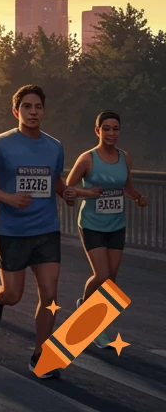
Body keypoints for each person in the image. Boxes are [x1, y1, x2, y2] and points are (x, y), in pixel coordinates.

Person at [0, 84, 67, 379]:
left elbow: (56, 181)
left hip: (46, 228)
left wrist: (69, 193)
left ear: (44, 111)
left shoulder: (55, 146)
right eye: (27, 107)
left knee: (50, 295)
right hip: (12, 230)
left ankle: (41, 354)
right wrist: (7, 197)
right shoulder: (0, 144)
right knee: (14, 293)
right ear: (16, 111)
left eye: (38, 107)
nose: (33, 112)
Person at [65, 110, 148, 348]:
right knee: (101, 276)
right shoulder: (87, 159)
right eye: (107, 129)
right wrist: (87, 193)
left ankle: (94, 324)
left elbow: (128, 188)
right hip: (92, 225)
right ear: (97, 131)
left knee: (110, 281)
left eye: (116, 129)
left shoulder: (125, 158)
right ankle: (85, 306)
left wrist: (139, 198)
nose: (112, 133)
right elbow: (67, 188)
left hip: (117, 225)